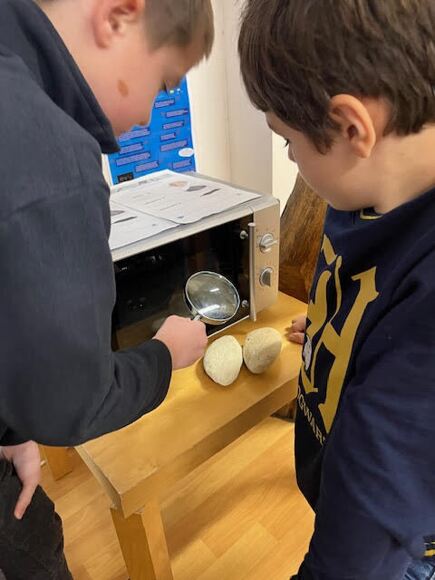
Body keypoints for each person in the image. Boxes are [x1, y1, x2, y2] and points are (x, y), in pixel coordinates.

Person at [0, 0, 213, 577]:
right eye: (163, 83)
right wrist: (164, 355)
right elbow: (75, 404)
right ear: (118, 17)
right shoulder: (56, 158)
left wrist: (13, 430)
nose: (147, 115)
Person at [239, 1, 435, 579]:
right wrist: (341, 330)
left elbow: (356, 553)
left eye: (286, 141)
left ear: (352, 128)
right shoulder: (367, 189)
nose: (291, 158)